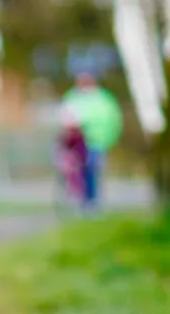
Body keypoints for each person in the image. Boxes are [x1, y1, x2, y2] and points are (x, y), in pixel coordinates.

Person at [61, 72, 124, 211]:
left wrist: (111, 138)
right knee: (78, 169)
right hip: (77, 141)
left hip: (98, 141)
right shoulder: (73, 97)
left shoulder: (104, 99)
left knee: (92, 169)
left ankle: (92, 200)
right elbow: (65, 116)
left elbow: (113, 120)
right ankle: (83, 198)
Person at [54, 105, 89, 208]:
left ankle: (79, 198)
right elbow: (59, 148)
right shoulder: (64, 136)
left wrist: (79, 159)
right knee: (68, 179)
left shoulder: (78, 136)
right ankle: (70, 197)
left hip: (76, 162)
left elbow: (82, 150)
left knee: (77, 180)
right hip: (67, 162)